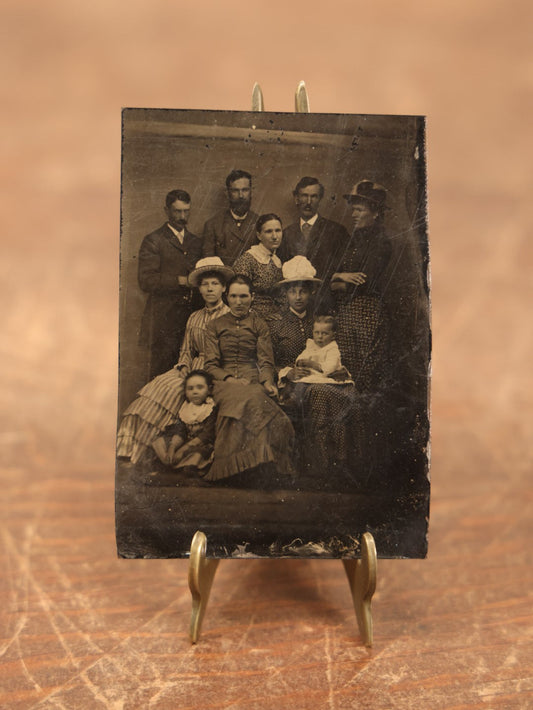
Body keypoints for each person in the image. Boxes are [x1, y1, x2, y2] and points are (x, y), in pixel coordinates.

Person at [116, 257, 233, 464]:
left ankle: (158, 455)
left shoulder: (230, 316)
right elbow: (187, 350)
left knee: (177, 392)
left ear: (224, 288)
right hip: (191, 368)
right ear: (199, 289)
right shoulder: (194, 317)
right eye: (205, 284)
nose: (209, 289)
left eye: (215, 284)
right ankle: (130, 452)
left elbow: (231, 353)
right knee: (159, 386)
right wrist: (184, 367)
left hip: (215, 371)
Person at [203, 274, 294, 483]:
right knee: (237, 399)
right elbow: (210, 365)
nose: (238, 302)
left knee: (254, 395)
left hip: (252, 377)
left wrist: (268, 382)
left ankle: (257, 464)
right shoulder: (214, 326)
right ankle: (235, 467)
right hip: (223, 380)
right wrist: (229, 379)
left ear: (252, 297)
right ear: (226, 297)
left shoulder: (259, 325)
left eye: (243, 296)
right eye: (233, 296)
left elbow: (265, 361)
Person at [331, 180, 392, 392]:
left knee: (362, 375)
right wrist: (341, 275)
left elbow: (362, 283)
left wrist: (335, 281)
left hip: (367, 315)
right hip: (346, 312)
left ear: (375, 213)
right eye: (353, 209)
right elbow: (337, 272)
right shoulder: (354, 238)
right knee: (343, 371)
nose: (353, 214)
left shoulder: (381, 242)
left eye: (359, 210)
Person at [138, 189, 203, 378]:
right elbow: (146, 280)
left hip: (190, 319)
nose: (182, 217)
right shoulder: (153, 240)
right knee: (162, 375)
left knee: (189, 376)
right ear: (166, 211)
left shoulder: (195, 242)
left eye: (186, 211)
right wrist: (180, 280)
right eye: (177, 211)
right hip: (163, 321)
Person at [278, 176, 349, 313]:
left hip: (327, 305)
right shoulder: (286, 234)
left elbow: (344, 269)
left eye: (314, 197)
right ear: (296, 199)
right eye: (304, 196)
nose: (308, 202)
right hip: (296, 308)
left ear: (320, 199)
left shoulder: (336, 231)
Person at [152, 370, 217, 474]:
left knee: (198, 454)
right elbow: (180, 430)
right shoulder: (185, 408)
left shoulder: (210, 408)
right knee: (160, 442)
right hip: (184, 441)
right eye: (190, 389)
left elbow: (207, 434)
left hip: (200, 444)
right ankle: (168, 462)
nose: (195, 392)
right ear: (186, 392)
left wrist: (183, 450)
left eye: (200, 387)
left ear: (209, 390)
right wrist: (173, 448)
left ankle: (182, 466)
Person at [232, 213, 284, 324]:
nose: (275, 236)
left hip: (277, 318)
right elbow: (237, 297)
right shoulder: (248, 259)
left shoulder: (277, 260)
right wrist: (260, 317)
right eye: (269, 231)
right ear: (259, 235)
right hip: (252, 321)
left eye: (278, 230)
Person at [270, 256, 318, 370]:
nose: (298, 297)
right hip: (289, 380)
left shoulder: (317, 322)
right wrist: (287, 373)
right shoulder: (277, 324)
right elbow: (268, 364)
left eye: (303, 292)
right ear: (286, 294)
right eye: (292, 292)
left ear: (311, 293)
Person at [202, 169, 259, 265]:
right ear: (227, 193)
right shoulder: (213, 225)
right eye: (235, 191)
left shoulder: (260, 223)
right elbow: (209, 265)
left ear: (251, 191)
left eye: (245, 190)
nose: (241, 196)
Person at [291, 316, 352, 384]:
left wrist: (313, 365)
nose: (320, 337)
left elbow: (330, 368)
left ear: (333, 336)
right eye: (317, 333)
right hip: (311, 377)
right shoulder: (311, 345)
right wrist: (300, 362)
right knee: (296, 384)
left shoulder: (332, 349)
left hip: (327, 379)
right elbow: (302, 356)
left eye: (325, 333)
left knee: (304, 386)